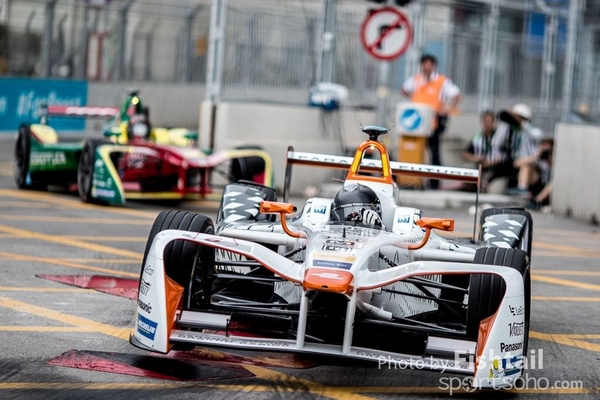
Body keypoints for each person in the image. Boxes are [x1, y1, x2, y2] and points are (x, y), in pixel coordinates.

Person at [402, 54, 461, 189]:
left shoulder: (441, 81)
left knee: (434, 152)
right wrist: (413, 99)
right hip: (416, 122)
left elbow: (456, 95)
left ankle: (434, 182)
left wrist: (447, 109)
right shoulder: (416, 80)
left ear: (433, 66)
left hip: (433, 122)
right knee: (415, 151)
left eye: (429, 64)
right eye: (425, 64)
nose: (427, 67)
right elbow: (404, 89)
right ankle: (414, 181)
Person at [462, 110, 513, 194]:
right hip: (481, 170)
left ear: (494, 123)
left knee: (493, 191)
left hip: (497, 172)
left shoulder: (500, 137)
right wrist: (476, 158)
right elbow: (465, 153)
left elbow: (506, 156)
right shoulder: (477, 138)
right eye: (485, 121)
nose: (487, 124)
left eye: (489, 121)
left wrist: (492, 162)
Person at [513, 138, 554, 209]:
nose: (545, 150)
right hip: (537, 183)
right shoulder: (537, 156)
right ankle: (522, 190)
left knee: (553, 183)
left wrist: (549, 159)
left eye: (547, 148)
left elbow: (559, 170)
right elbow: (516, 164)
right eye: (543, 147)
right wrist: (535, 157)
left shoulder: (554, 158)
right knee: (526, 166)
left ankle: (536, 201)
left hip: (547, 189)